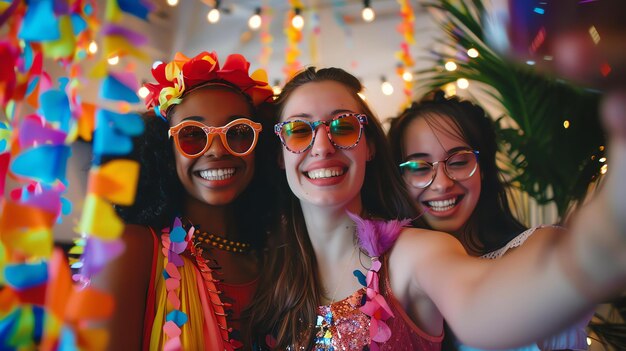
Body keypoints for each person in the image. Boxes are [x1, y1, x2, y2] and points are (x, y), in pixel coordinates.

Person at [247, 66, 626, 351]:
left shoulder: (416, 253)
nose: (322, 146)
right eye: (299, 130)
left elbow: (480, 306)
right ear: (280, 156)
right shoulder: (273, 271)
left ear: (370, 147)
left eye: (343, 126)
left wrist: (594, 248)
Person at [93, 51, 276, 350]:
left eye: (238, 133)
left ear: (259, 147)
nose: (217, 150)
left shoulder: (276, 257)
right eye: (192, 135)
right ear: (165, 153)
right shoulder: (131, 249)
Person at [387, 90, 592, 351]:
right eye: (419, 168)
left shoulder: (541, 249)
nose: (441, 183)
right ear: (399, 181)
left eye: (459, 161)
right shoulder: (391, 278)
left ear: (483, 168)